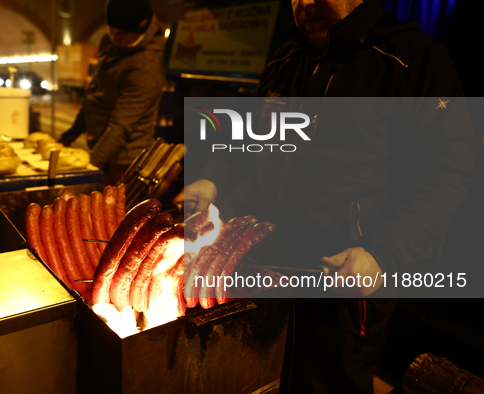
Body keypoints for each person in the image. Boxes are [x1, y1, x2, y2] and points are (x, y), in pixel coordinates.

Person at [176, 0, 476, 392]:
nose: (305, 3)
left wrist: (383, 254)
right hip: (266, 271)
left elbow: (447, 172)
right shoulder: (287, 58)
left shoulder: (412, 59)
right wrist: (213, 180)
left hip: (344, 284)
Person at [59, 0, 166, 184]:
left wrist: (90, 169)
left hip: (126, 164)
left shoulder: (145, 65)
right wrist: (74, 130)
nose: (115, 38)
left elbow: (121, 126)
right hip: (103, 155)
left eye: (122, 33)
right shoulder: (110, 44)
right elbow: (95, 94)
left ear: (142, 27)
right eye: (111, 30)